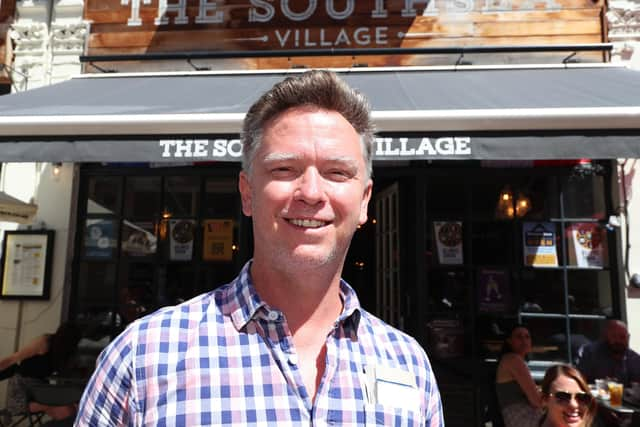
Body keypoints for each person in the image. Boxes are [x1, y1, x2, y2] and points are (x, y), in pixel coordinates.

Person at [74, 70, 444, 426]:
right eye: (284, 170)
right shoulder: (143, 359)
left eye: (337, 173)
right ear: (248, 193)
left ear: (364, 201)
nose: (312, 193)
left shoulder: (408, 365)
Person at [0, 322, 82, 423]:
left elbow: (66, 373)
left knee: (72, 407)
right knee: (65, 408)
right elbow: (11, 360)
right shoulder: (44, 342)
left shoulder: (64, 352)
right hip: (23, 388)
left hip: (40, 388)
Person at [495, 324, 543, 427]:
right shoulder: (513, 360)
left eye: (527, 337)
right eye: (519, 337)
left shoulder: (510, 359)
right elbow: (536, 401)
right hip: (523, 417)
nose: (524, 340)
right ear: (509, 341)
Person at [575, 319, 640, 385]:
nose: (618, 341)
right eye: (614, 336)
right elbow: (579, 381)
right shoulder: (589, 353)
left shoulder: (634, 359)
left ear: (628, 338)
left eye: (622, 337)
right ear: (605, 337)